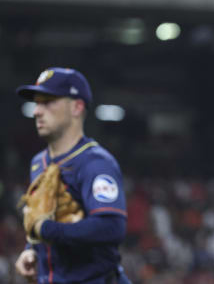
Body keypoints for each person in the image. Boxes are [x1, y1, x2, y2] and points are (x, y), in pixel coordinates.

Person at [13, 67, 131, 284]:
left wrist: (47, 230)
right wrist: (31, 250)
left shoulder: (94, 163)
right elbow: (41, 219)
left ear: (77, 107)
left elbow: (112, 228)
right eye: (37, 103)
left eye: (48, 102)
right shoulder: (38, 163)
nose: (37, 111)